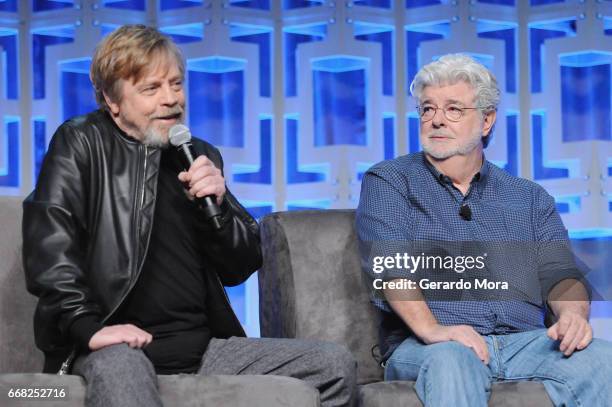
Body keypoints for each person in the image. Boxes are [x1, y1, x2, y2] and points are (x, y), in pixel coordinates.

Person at [23, 24, 355, 407]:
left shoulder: (198, 153)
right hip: (115, 345)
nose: (171, 100)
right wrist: (88, 329)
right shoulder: (82, 141)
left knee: (333, 364)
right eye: (151, 89)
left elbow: (240, 265)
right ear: (112, 100)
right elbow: (50, 244)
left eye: (176, 84)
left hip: (205, 350)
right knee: (123, 373)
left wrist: (218, 206)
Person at [355, 53, 612, 407]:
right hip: (432, 346)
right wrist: (434, 331)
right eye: (427, 109)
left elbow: (561, 275)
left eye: (453, 109)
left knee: (603, 360)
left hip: (525, 341)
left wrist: (572, 317)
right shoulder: (389, 181)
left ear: (487, 120)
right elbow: (390, 269)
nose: (436, 120)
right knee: (453, 359)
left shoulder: (530, 197)